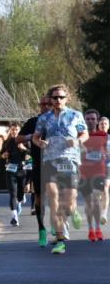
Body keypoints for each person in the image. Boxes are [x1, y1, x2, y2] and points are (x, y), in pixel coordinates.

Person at [31, 85, 87, 255]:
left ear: (66, 98)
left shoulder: (75, 115)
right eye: (54, 98)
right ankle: (60, 240)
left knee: (68, 204)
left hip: (69, 160)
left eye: (61, 97)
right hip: (50, 161)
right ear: (50, 100)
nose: (58, 101)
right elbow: (35, 137)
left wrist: (77, 141)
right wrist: (40, 143)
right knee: (53, 198)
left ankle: (73, 210)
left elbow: (85, 134)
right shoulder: (44, 118)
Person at [18, 96, 52, 245]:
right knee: (39, 198)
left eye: (48, 104)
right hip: (38, 165)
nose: (45, 106)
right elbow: (17, 139)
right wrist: (30, 136)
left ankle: (57, 225)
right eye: (42, 104)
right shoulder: (33, 122)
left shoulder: (57, 122)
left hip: (55, 165)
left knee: (56, 197)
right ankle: (42, 229)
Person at [80, 109, 106, 241]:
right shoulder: (79, 136)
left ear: (97, 121)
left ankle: (98, 228)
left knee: (96, 200)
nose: (90, 121)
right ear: (84, 120)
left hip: (99, 172)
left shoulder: (104, 136)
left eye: (92, 119)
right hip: (83, 174)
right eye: (88, 119)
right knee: (88, 202)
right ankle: (90, 228)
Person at [0, 122, 28, 225]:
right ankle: (15, 217)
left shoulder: (24, 141)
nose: (14, 131)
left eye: (16, 130)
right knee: (12, 193)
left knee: (20, 194)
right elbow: (0, 154)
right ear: (10, 131)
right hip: (10, 169)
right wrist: (4, 155)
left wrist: (24, 149)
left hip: (21, 169)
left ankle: (20, 201)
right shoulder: (7, 142)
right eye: (12, 130)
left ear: (19, 131)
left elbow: (31, 152)